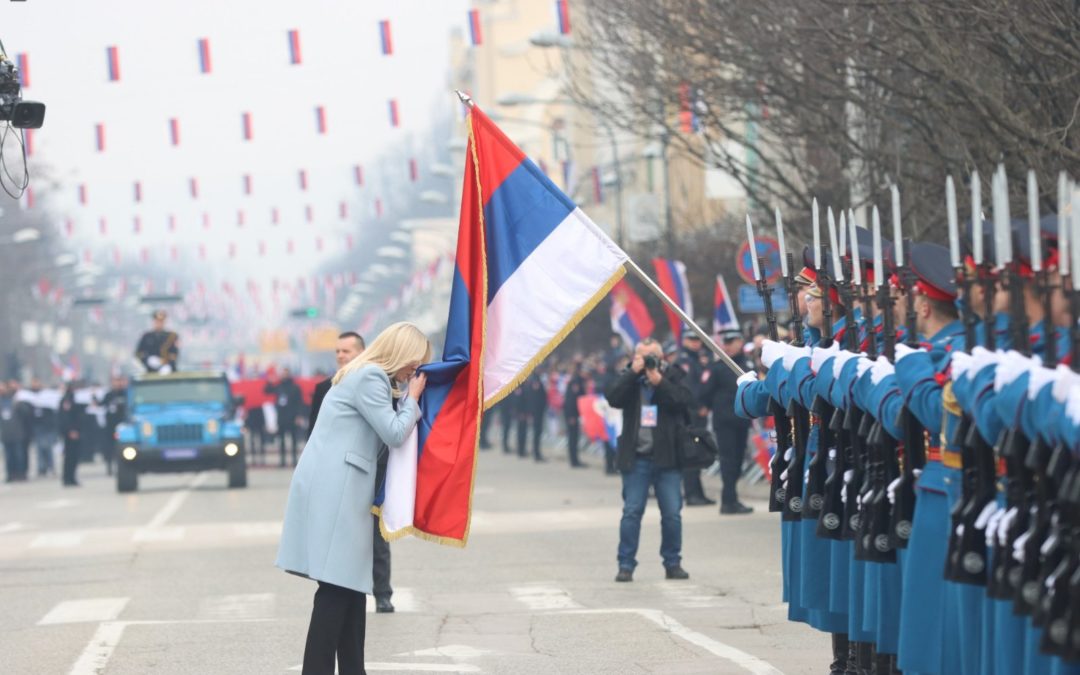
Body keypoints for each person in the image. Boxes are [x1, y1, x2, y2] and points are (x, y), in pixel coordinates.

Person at [276, 322, 429, 675]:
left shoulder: (364, 374)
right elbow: (393, 432)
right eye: (414, 363)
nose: (414, 372)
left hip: (340, 484)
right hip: (337, 485)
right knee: (335, 587)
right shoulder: (370, 377)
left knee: (351, 585)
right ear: (401, 353)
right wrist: (414, 399)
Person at [308, 331, 396, 614]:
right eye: (337, 351)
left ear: (362, 352)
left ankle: (382, 592)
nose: (340, 356)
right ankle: (339, 585)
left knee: (376, 535)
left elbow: (390, 429)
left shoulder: (380, 383)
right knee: (339, 534)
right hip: (339, 474)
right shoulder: (325, 388)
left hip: (376, 471)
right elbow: (315, 435)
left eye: (346, 351)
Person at [605, 337, 692, 583]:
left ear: (662, 357)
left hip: (668, 458)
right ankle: (625, 564)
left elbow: (685, 401)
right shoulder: (629, 379)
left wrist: (660, 383)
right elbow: (612, 397)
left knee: (673, 513)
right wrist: (632, 373)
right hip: (636, 458)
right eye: (642, 356)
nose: (647, 361)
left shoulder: (673, 376)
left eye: (651, 355)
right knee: (632, 512)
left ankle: (673, 563)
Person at [702, 329, 754, 514]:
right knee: (728, 461)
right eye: (726, 342)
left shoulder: (748, 364)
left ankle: (732, 499)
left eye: (732, 342)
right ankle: (728, 500)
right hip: (725, 422)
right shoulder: (718, 368)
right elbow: (706, 392)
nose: (728, 346)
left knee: (739, 460)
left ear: (740, 342)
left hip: (742, 420)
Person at [675, 327, 716, 506]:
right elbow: (688, 388)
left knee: (698, 452)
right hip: (690, 413)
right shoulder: (684, 361)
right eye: (691, 339)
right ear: (684, 340)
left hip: (698, 412)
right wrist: (699, 406)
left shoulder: (698, 359)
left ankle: (698, 492)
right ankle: (691, 494)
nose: (695, 342)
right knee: (691, 453)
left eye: (697, 339)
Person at [265, 368, 303, 467]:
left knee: (293, 440)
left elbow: (299, 402)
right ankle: (282, 461)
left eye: (286, 373)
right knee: (281, 440)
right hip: (281, 416)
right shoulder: (278, 386)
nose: (284, 375)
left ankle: (294, 460)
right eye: (283, 373)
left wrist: (299, 416)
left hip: (292, 416)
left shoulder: (295, 387)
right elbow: (266, 391)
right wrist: (270, 381)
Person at [135, 309, 179, 373]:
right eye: (157, 321)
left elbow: (174, 354)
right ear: (153, 321)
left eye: (161, 321)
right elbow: (139, 353)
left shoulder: (172, 336)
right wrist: (148, 360)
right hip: (150, 370)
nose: (159, 323)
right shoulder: (146, 336)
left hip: (168, 369)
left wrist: (167, 364)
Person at [516, 374, 548, 462]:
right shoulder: (525, 384)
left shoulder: (528, 384)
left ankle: (524, 450)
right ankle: (526, 451)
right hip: (532, 412)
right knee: (525, 432)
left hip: (531, 412)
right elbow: (522, 399)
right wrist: (522, 412)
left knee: (529, 432)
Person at [102, 376, 128, 477]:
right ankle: (109, 467)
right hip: (110, 426)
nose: (118, 383)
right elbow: (102, 405)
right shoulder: (109, 395)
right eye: (116, 381)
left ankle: (123, 467)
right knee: (110, 448)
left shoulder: (126, 393)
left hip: (123, 425)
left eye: (120, 381)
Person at [58, 382, 83, 487]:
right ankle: (67, 478)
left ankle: (72, 477)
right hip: (70, 433)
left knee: (74, 457)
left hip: (76, 431)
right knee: (69, 457)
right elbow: (66, 417)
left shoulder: (74, 399)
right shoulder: (67, 400)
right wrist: (70, 430)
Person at [562, 363, 587, 468]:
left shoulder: (576, 381)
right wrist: (571, 415)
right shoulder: (575, 382)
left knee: (574, 438)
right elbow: (571, 400)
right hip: (572, 414)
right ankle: (573, 460)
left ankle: (575, 459)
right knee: (573, 438)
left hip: (574, 414)